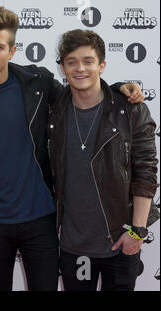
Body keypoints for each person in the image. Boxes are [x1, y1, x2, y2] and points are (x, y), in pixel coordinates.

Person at [0, 6, 145, 291]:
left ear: (12, 51)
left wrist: (118, 89)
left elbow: (83, 90)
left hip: (40, 220)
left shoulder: (37, 85)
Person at [49, 29, 158, 291]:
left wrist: (137, 231)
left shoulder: (130, 109)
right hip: (74, 246)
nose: (80, 69)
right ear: (62, 68)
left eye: (88, 61)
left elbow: (146, 173)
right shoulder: (55, 110)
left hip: (121, 240)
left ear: (102, 65)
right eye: (72, 62)